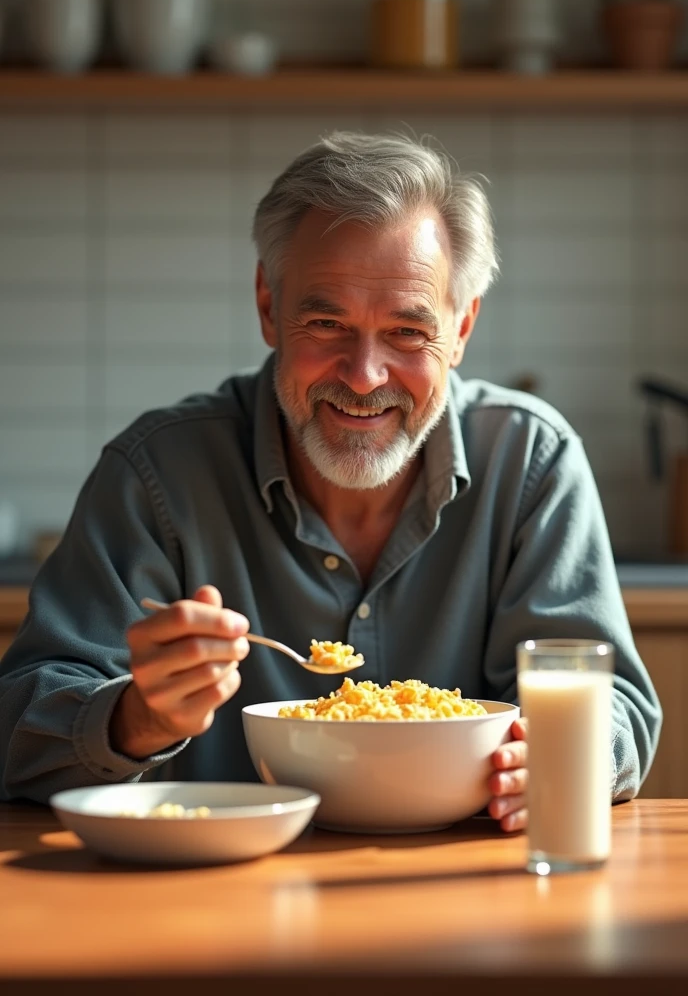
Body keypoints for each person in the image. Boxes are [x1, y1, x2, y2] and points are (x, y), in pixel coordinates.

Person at [0, 133, 661, 831]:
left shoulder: (533, 462)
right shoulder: (156, 476)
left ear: (461, 327)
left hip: (469, 894)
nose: (363, 376)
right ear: (267, 305)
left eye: (408, 333)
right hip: (214, 902)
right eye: (326, 322)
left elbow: (608, 701)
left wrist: (569, 753)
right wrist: (134, 718)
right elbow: (19, 726)